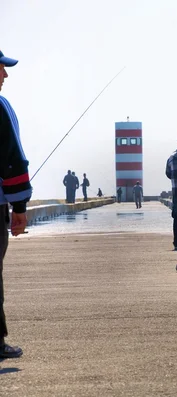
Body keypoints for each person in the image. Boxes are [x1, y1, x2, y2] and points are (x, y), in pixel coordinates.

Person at [0, 49, 31, 358]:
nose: (5, 75)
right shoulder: (0, 106)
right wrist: (19, 209)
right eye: (2, 69)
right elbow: (12, 160)